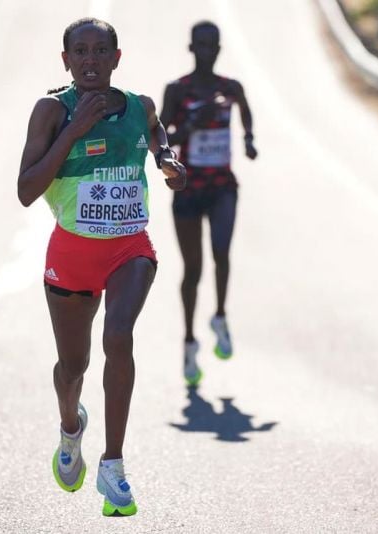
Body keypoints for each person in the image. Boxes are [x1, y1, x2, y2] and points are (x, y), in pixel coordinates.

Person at [17, 18, 186, 517]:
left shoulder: (140, 106)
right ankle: (71, 426)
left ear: (117, 58)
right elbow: (26, 191)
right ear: (65, 60)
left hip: (129, 249)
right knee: (73, 368)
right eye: (80, 52)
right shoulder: (52, 110)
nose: (90, 60)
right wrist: (74, 130)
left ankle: (113, 465)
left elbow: (155, 129)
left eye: (100, 51)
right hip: (71, 256)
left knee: (119, 336)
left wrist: (165, 158)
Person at [159, 21, 257, 386]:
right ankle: (188, 341)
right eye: (199, 44)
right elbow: (160, 138)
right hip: (188, 187)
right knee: (193, 269)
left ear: (218, 49)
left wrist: (248, 138)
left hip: (222, 186)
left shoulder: (229, 88)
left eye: (212, 44)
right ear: (191, 47)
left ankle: (219, 315)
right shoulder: (177, 90)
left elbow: (245, 108)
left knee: (222, 252)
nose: (205, 50)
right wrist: (190, 126)